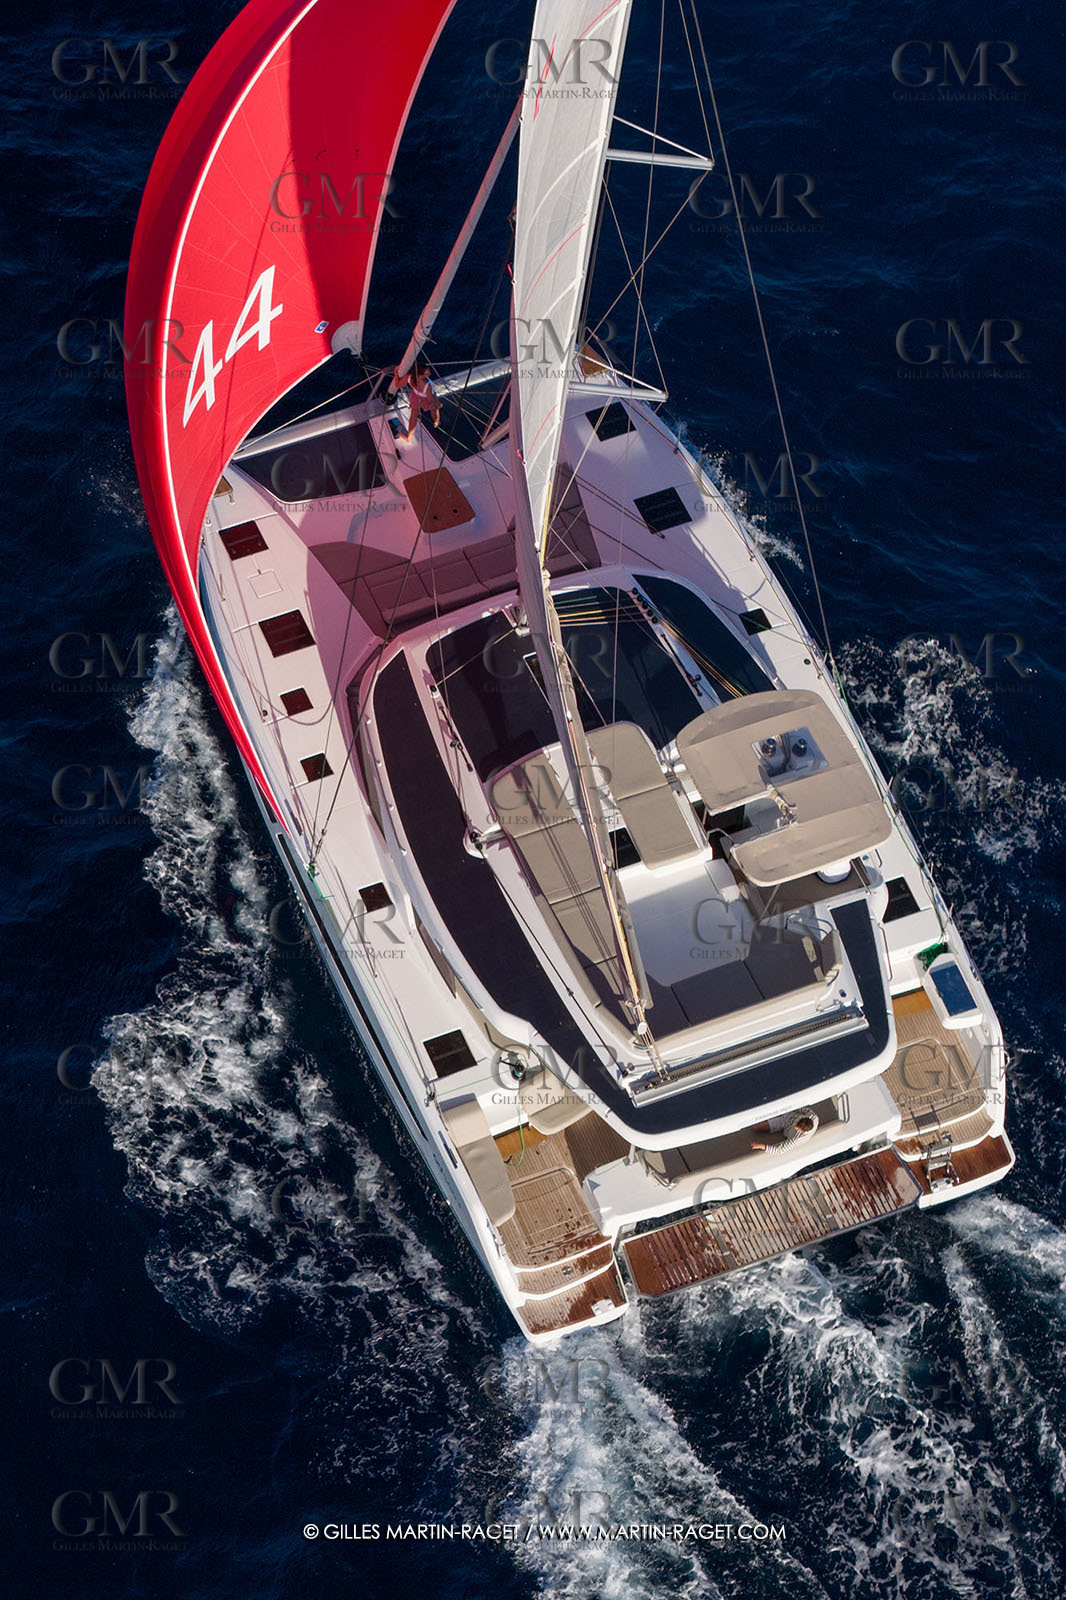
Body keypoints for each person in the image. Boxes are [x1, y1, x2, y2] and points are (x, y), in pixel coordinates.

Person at [391, 361, 441, 444]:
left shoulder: (409, 377)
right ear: (420, 374)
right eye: (427, 373)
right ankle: (436, 421)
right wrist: (437, 403)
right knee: (434, 408)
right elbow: (431, 399)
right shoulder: (427, 386)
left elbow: (397, 384)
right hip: (425, 397)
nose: (430, 374)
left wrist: (396, 373)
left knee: (414, 414)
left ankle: (408, 438)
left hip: (416, 396)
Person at [751, 1107, 819, 1152]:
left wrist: (760, 1146)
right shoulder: (813, 1116)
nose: (795, 1127)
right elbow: (800, 1108)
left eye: (797, 1128)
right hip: (789, 1111)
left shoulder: (797, 1139)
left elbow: (779, 1150)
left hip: (783, 1123)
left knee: (755, 1128)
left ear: (802, 1131)